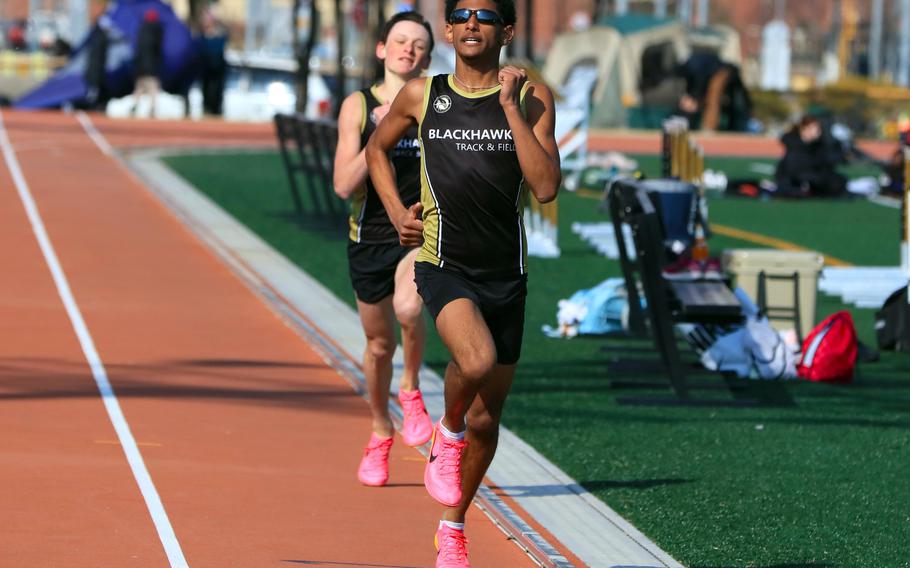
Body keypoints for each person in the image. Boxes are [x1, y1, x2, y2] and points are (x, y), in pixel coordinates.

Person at [365, 1, 560, 566]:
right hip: (443, 261)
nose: (473, 23)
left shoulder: (531, 96)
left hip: (507, 272)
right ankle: (443, 435)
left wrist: (510, 109)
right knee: (474, 363)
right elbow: (377, 150)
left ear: (507, 30)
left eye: (487, 14)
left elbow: (545, 187)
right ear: (448, 30)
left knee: (487, 417)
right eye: (462, 14)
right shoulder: (422, 94)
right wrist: (398, 209)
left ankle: (452, 524)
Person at [332, 11, 436, 489]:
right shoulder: (357, 104)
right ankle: (379, 430)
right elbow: (341, 184)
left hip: (419, 233)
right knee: (378, 345)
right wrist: (379, 132)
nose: (408, 49)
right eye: (400, 40)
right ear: (382, 49)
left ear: (428, 57)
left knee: (409, 307)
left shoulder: (437, 103)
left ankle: (411, 389)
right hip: (368, 237)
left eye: (418, 44)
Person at [774, 115, 847, 198]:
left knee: (838, 181)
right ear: (805, 129)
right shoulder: (794, 144)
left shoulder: (818, 145)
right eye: (816, 128)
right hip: (795, 177)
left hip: (810, 175)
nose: (819, 132)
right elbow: (796, 168)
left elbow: (827, 164)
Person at [677, 51, 751, 132]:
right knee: (707, 99)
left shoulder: (692, 66)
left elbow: (700, 81)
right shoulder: (689, 69)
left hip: (724, 71)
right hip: (721, 72)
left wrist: (696, 98)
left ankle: (709, 129)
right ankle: (707, 126)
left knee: (713, 97)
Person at [195, 8, 228, 116]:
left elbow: (221, 46)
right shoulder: (200, 37)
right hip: (205, 69)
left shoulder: (219, 36)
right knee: (206, 92)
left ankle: (216, 112)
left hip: (218, 69)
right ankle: (207, 111)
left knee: (217, 92)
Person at [132, 8, 164, 117]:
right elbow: (158, 50)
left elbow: (137, 50)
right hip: (152, 65)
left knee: (140, 85)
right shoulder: (157, 30)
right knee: (153, 86)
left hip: (141, 65)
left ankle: (135, 104)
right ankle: (153, 107)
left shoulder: (141, 30)